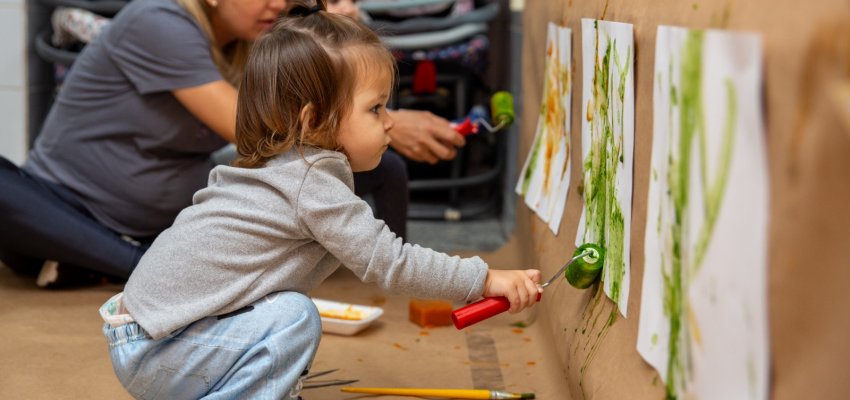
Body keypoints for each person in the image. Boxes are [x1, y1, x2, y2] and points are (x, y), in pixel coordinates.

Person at [99, 2, 541, 398]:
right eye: (375, 109)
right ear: (313, 121)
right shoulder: (310, 181)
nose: (389, 123)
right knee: (294, 318)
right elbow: (390, 262)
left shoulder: (291, 167)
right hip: (159, 348)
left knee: (284, 316)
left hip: (152, 337)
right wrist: (483, 280)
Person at [0, 0, 464, 288]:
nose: (277, 4)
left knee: (380, 167)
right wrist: (391, 120)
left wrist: (336, 54)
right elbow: (259, 130)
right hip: (67, 214)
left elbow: (306, 126)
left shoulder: (248, 43)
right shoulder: (157, 20)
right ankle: (135, 265)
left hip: (157, 219)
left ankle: (390, 270)